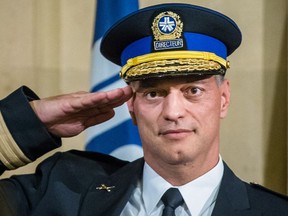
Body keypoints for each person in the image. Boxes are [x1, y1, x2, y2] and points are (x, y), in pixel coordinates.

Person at [0, 3, 287, 216]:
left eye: (193, 91)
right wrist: (30, 120)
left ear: (223, 99)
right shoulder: (63, 190)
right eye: (153, 93)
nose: (173, 111)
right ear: (131, 105)